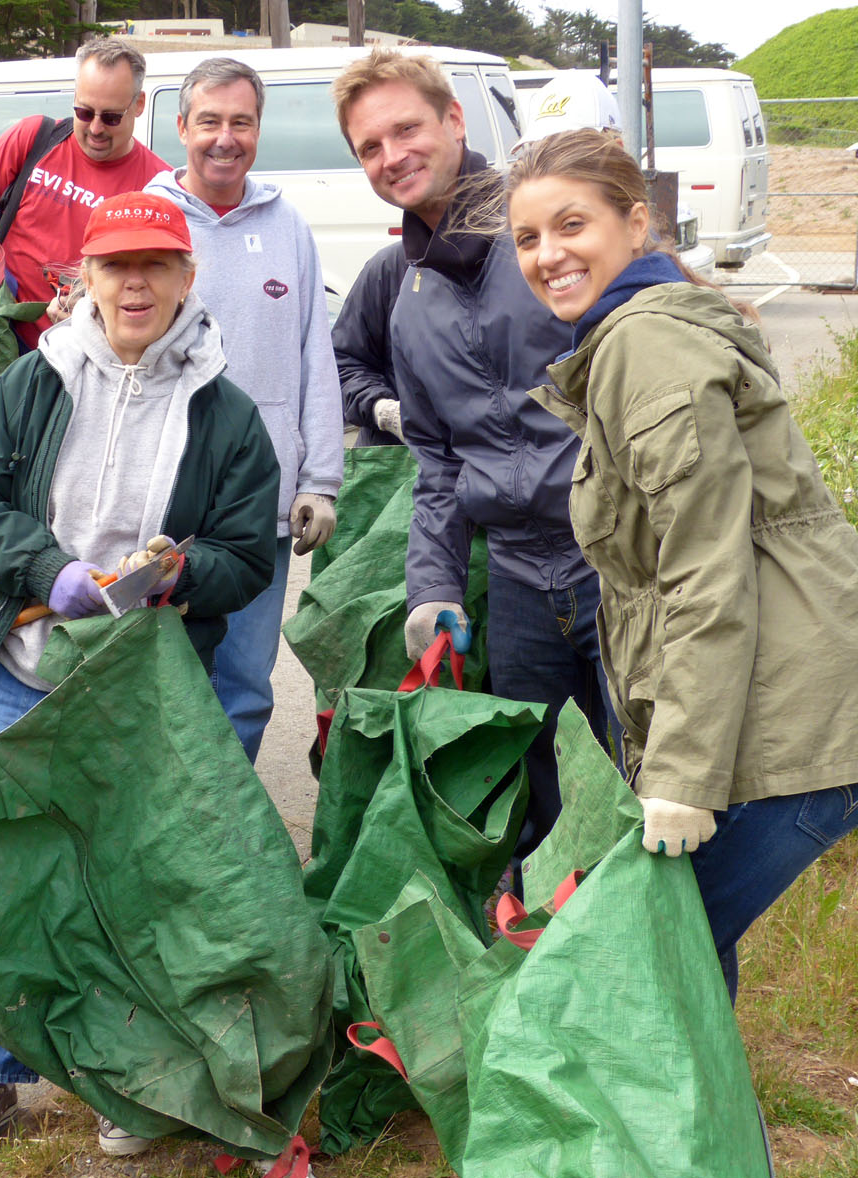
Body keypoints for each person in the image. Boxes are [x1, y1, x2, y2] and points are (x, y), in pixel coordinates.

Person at [505, 126, 858, 1000]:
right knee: (682, 968)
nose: (547, 255)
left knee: (641, 964)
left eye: (571, 225)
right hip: (765, 715)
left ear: (634, 223)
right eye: (527, 237)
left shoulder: (645, 346)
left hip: (795, 733)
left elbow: (704, 570)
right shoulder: (630, 337)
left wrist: (682, 778)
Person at [0, 190, 279, 1161]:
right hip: (25, 671)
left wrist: (177, 575)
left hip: (142, 688)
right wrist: (49, 571)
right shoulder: (35, 382)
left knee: (129, 883)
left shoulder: (224, 411)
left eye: (154, 264)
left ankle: (124, 1075)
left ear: (186, 277)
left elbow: (247, 554)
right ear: (84, 276)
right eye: (116, 265)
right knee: (9, 881)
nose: (135, 283)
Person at [334, 50, 612, 857]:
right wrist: (433, 589)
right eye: (370, 147)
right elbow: (439, 466)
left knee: (641, 783)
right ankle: (561, 935)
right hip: (521, 582)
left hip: (613, 562)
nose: (392, 156)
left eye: (407, 130)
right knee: (549, 794)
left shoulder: (551, 241)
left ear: (455, 120)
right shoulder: (407, 297)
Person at [145, 57, 342, 763]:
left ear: (258, 129)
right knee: (155, 681)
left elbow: (315, 354)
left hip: (260, 502)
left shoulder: (287, 225)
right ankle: (157, 822)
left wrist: (320, 480)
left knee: (246, 687)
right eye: (209, 122)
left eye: (241, 122)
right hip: (160, 499)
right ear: (180, 128)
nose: (225, 138)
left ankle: (225, 826)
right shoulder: (149, 219)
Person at [0, 35, 170, 350]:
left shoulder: (158, 186)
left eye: (111, 117)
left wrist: (96, 319)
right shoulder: (35, 137)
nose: (96, 128)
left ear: (138, 104)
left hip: (89, 357)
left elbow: (160, 292)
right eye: (84, 112)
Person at [334, 239, 409, 445]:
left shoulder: (492, 269)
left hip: (483, 455)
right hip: (393, 455)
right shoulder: (391, 266)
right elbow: (346, 361)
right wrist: (383, 409)